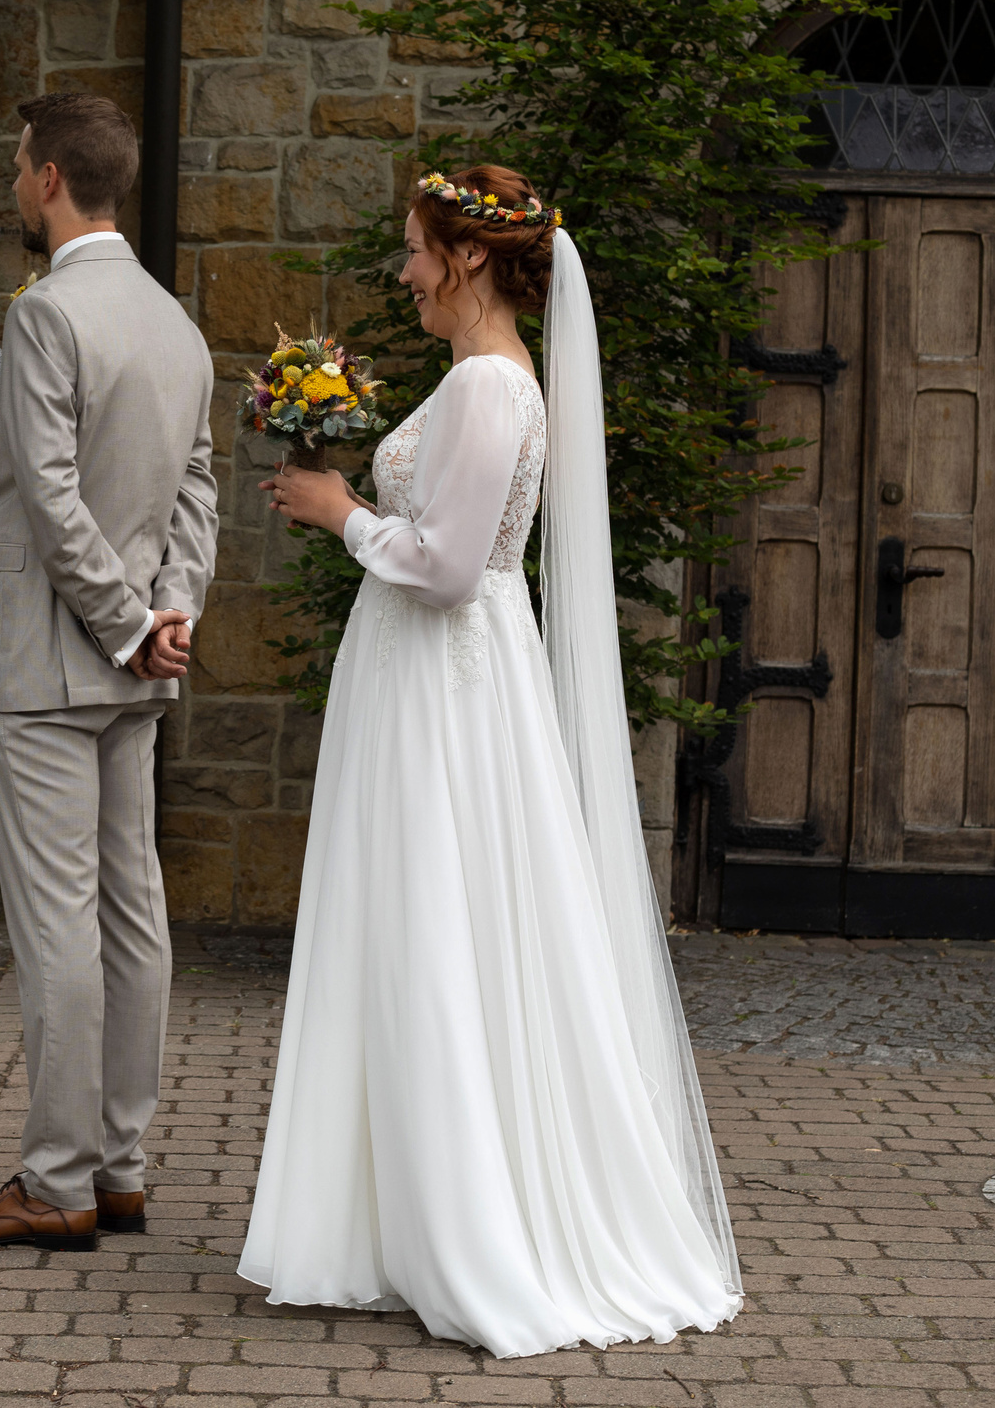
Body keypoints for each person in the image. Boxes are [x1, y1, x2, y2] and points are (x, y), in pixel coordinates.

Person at [239, 166, 742, 1354]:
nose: (402, 272)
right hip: (441, 675)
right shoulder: (487, 381)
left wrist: (339, 511)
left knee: (435, 929)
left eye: (414, 250)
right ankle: (393, 1221)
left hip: (446, 685)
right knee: (424, 928)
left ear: (466, 259)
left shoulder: (485, 386)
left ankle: (466, 1231)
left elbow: (452, 565)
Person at [0, 92, 219, 1251]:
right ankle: (120, 1168)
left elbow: (45, 497)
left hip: (50, 663)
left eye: (14, 168)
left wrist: (119, 621)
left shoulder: (46, 316)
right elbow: (196, 492)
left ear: (50, 178)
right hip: (134, 662)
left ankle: (53, 1184)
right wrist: (169, 613)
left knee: (58, 925)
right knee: (132, 914)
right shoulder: (176, 325)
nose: (11, 185)